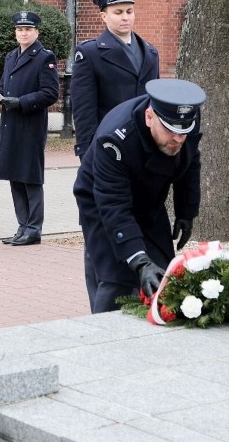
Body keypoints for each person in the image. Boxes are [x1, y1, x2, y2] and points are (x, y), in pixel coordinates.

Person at [73, 78, 206, 313]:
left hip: (149, 197)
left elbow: (190, 162)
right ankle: (102, 333)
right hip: (101, 199)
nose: (178, 139)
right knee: (117, 275)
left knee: (164, 272)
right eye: (170, 130)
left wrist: (186, 210)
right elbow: (114, 206)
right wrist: (139, 260)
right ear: (149, 117)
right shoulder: (114, 139)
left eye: (183, 131)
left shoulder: (185, 122)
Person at [0, 11, 59, 246]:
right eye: (19, 29)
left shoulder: (44, 57)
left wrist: (21, 102)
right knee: (14, 176)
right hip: (11, 125)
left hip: (30, 125)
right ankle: (22, 226)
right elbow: (7, 84)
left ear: (36, 32)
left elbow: (50, 94)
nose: (23, 33)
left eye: (28, 29)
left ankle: (34, 228)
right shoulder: (11, 56)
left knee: (30, 178)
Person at [70, 0, 160, 161]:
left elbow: (154, 102)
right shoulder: (90, 53)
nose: (125, 17)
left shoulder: (150, 52)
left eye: (129, 11)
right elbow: (84, 110)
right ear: (104, 16)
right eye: (118, 12)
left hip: (145, 146)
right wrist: (87, 152)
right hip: (110, 145)